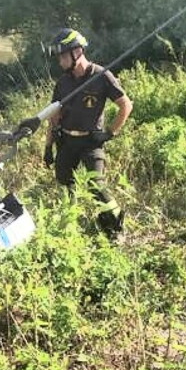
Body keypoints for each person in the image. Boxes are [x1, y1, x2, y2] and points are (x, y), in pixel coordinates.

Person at [42, 27, 134, 238]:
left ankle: (115, 228)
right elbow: (53, 116)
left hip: (91, 141)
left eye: (63, 57)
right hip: (66, 142)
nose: (60, 62)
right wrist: (48, 147)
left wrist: (110, 132)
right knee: (65, 185)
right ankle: (69, 226)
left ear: (77, 52)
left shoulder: (102, 76)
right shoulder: (63, 82)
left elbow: (125, 105)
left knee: (97, 187)